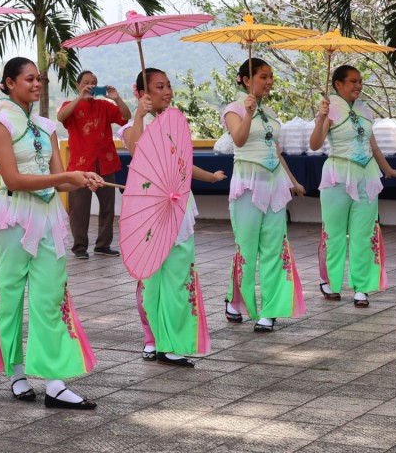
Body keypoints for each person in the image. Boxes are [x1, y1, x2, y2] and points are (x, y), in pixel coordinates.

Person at [0, 56, 102, 409]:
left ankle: (54, 382)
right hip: (15, 216)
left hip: (48, 216)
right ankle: (17, 372)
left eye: (39, 79)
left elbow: (59, 180)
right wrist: (65, 177)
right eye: (28, 79)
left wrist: (81, 179)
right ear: (8, 84)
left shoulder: (47, 127)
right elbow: (13, 179)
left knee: (51, 297)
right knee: (11, 296)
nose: (36, 84)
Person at [120, 68, 225, 367]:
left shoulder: (173, 125)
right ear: (142, 93)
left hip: (178, 207)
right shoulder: (133, 126)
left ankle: (173, 341)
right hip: (150, 212)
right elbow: (135, 149)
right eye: (159, 87)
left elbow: (184, 165)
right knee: (151, 278)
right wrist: (140, 116)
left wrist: (211, 178)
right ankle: (152, 338)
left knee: (179, 276)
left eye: (168, 86)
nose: (167, 92)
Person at [221, 58, 306, 333]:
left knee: (274, 247)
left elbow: (276, 152)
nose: (269, 82)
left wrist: (293, 181)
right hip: (248, 184)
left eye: (271, 77)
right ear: (247, 80)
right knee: (245, 247)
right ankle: (238, 301)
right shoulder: (234, 110)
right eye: (263, 77)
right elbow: (239, 140)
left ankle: (269, 310)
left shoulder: (268, 112)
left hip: (275, 185)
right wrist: (247, 113)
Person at [309, 65, 396, 308]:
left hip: (367, 177)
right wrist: (320, 118)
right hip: (338, 175)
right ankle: (330, 282)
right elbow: (315, 144)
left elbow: (373, 146)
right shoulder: (330, 109)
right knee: (334, 233)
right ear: (338, 84)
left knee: (364, 233)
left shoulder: (364, 111)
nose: (358, 85)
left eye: (360, 81)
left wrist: (386, 169)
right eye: (352, 81)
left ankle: (362, 288)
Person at [57, 70, 131, 259]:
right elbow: (60, 117)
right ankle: (79, 247)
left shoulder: (105, 106)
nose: (91, 85)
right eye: (86, 82)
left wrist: (117, 98)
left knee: (108, 207)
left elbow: (126, 117)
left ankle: (103, 245)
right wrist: (79, 98)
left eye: (94, 82)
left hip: (105, 164)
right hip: (80, 167)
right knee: (79, 209)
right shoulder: (70, 106)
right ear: (78, 85)